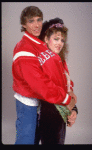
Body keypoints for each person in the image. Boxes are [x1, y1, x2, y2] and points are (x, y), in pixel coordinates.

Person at [12, 6, 76, 144]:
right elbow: (39, 83)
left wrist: (71, 97)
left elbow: (62, 77)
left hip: (43, 104)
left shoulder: (42, 46)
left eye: (39, 19)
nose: (36, 25)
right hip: (28, 103)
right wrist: (66, 98)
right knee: (27, 140)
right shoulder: (24, 48)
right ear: (24, 24)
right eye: (31, 21)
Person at [35, 18, 78, 144]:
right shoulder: (47, 59)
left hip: (59, 113)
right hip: (49, 112)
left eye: (62, 40)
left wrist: (73, 109)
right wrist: (72, 105)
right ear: (46, 39)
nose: (60, 43)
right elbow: (54, 90)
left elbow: (66, 88)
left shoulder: (60, 61)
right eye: (56, 39)